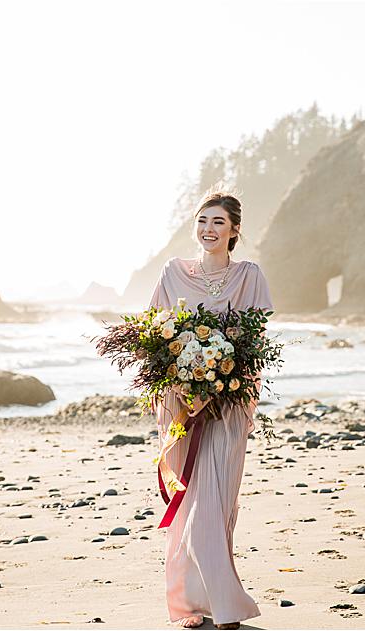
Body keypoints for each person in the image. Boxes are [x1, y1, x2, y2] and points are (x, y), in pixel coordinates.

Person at [148, 191, 271, 629]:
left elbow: (256, 345)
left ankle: (221, 602)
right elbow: (155, 336)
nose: (209, 230)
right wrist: (185, 386)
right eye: (203, 221)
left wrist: (220, 384)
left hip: (231, 404)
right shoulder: (173, 273)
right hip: (183, 405)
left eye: (219, 222)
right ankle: (193, 605)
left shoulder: (249, 276)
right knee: (190, 500)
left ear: (234, 230)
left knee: (218, 503)